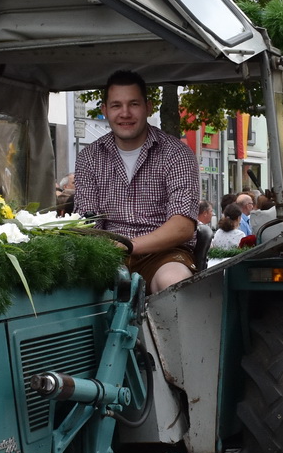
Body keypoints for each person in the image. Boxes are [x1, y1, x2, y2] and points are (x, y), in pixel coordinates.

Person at [72, 69, 201, 293]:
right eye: (116, 105)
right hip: (108, 256)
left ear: (148, 107)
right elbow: (87, 221)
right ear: (105, 110)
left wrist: (129, 245)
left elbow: (182, 227)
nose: (125, 113)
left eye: (133, 104)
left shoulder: (177, 153)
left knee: (173, 282)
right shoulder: (89, 157)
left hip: (164, 255)